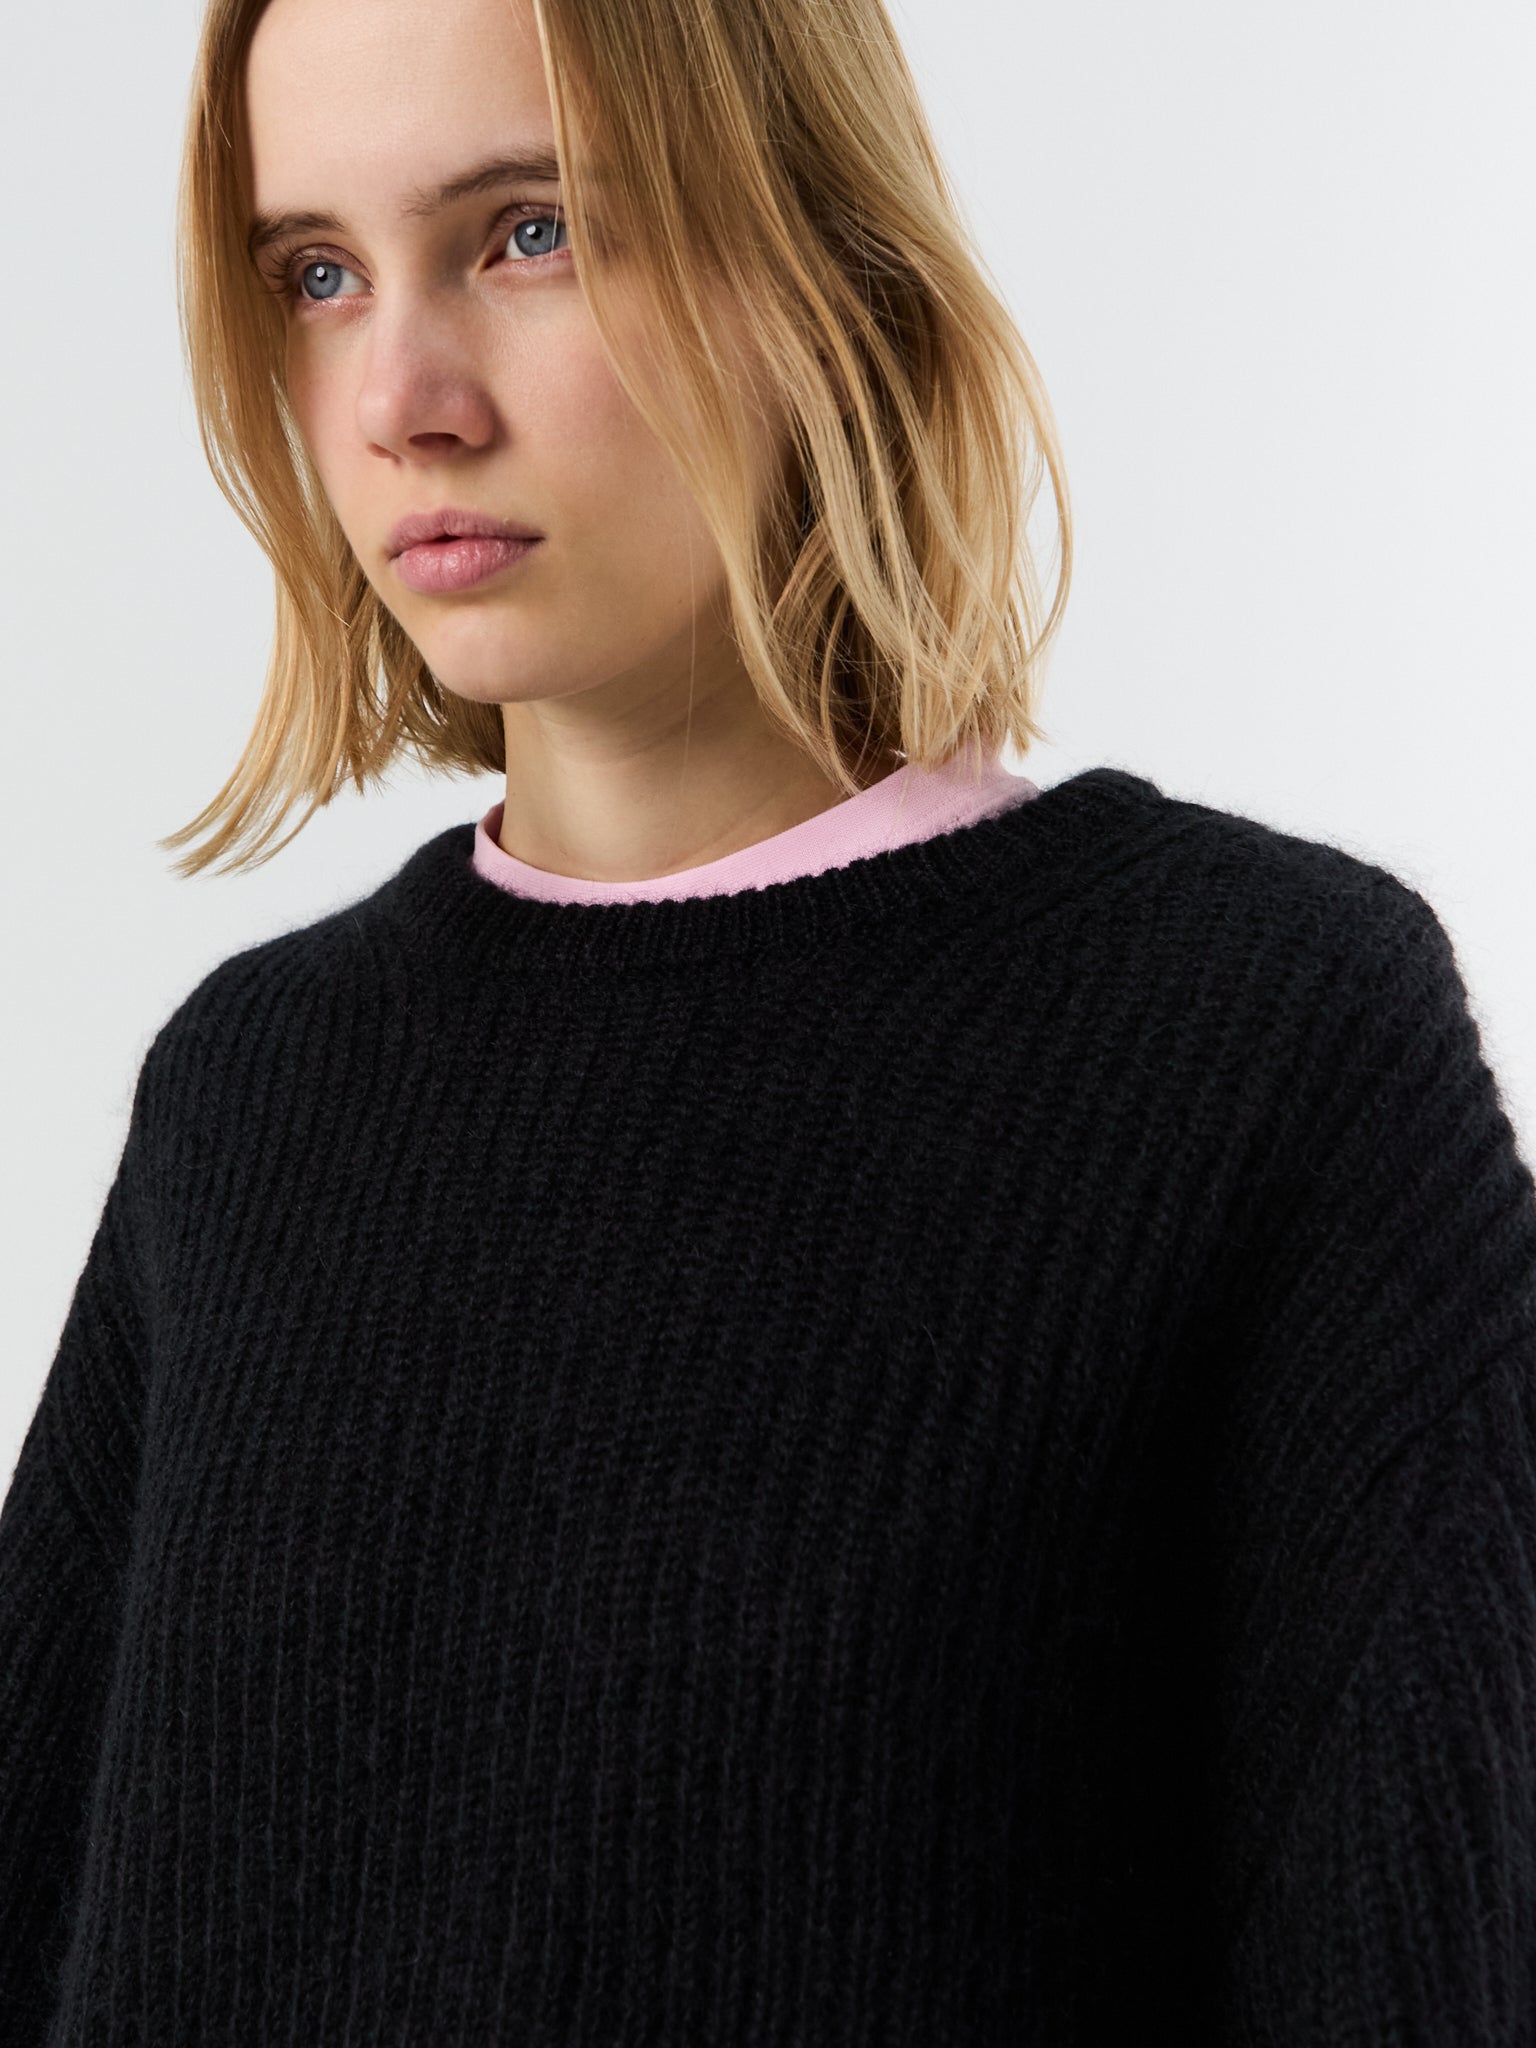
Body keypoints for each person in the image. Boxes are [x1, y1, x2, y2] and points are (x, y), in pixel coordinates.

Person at [3, 0, 1533, 2039]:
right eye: (317, 273)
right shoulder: (249, 1097)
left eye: (531, 230)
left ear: (821, 258)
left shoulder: (1261, 1036)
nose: (400, 401)